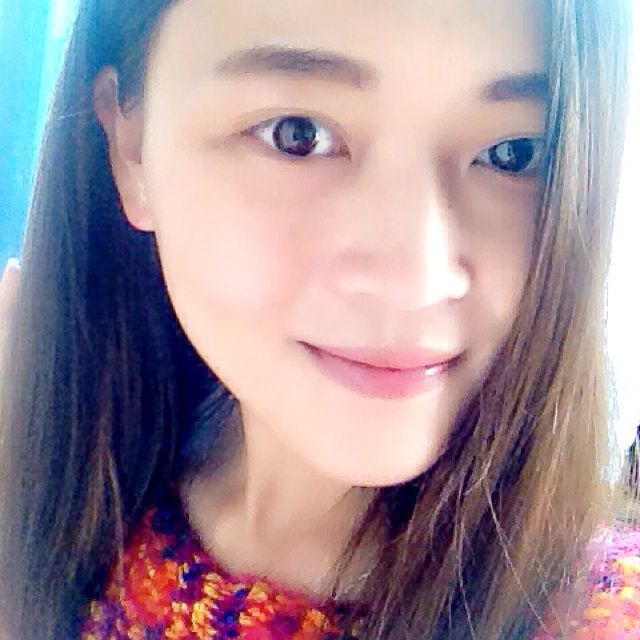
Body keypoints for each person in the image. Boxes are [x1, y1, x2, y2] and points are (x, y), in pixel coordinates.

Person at [0, 0, 634, 638]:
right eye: (296, 135)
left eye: (512, 153)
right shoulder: (56, 490)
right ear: (132, 151)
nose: (412, 280)